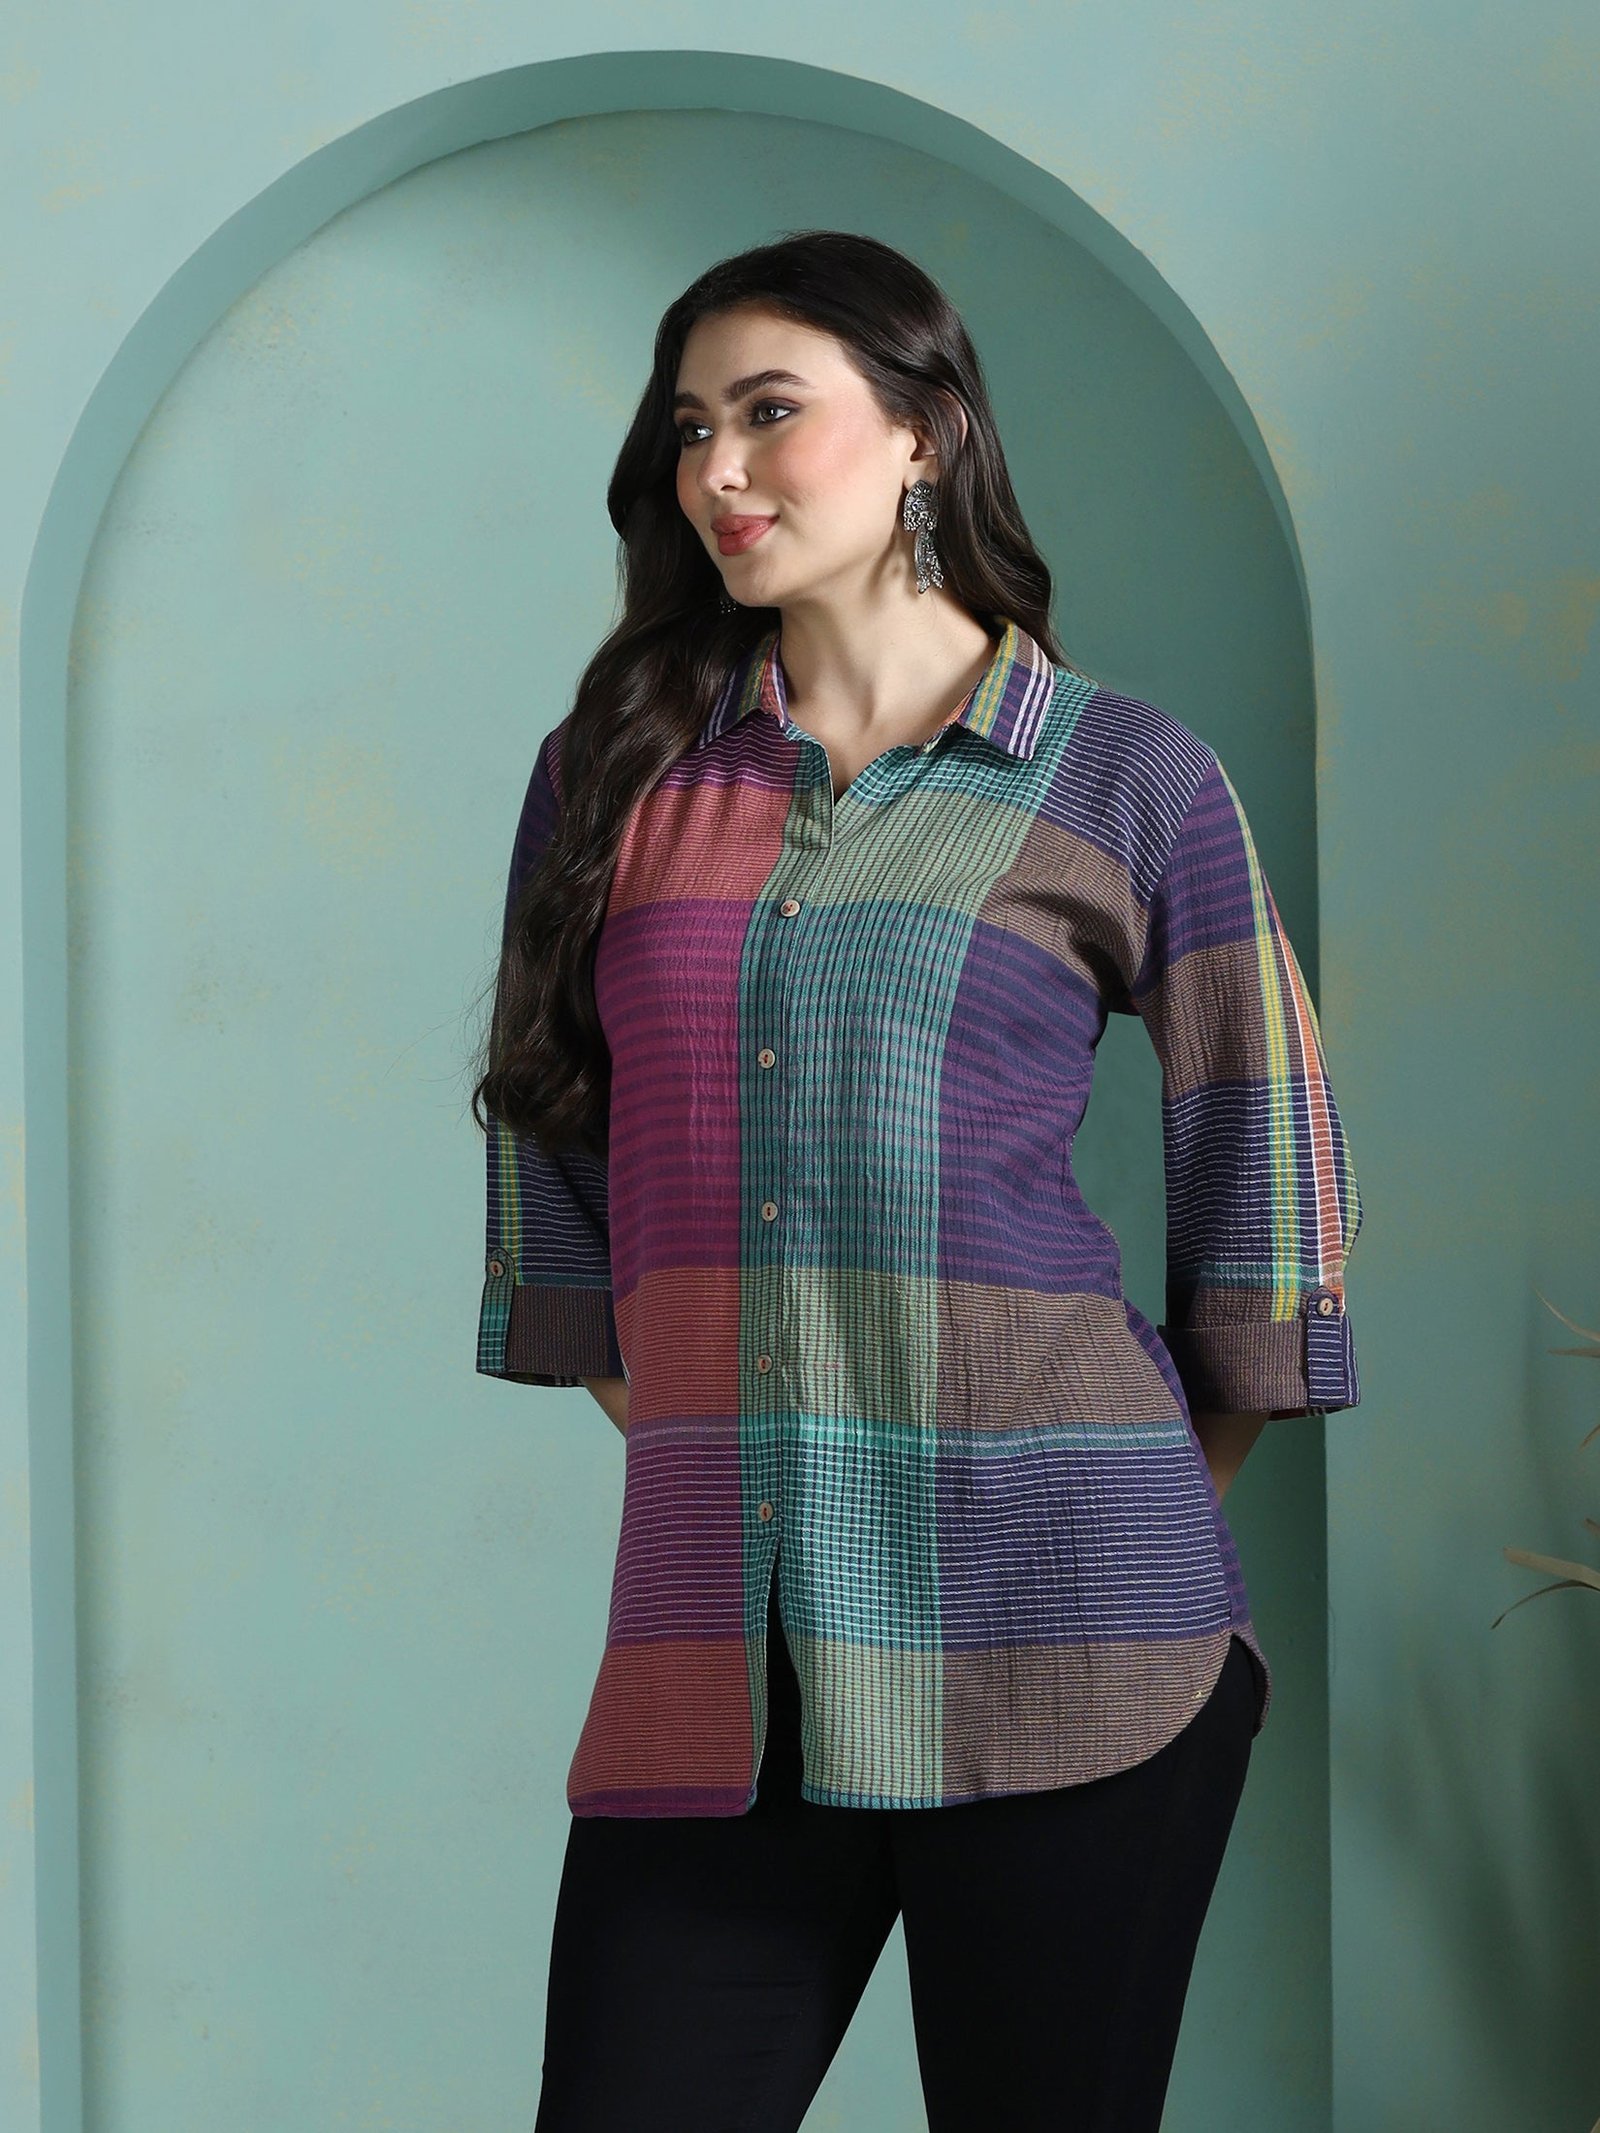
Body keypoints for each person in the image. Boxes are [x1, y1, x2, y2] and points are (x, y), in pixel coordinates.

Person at [469, 228, 1363, 2132]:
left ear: (923, 433)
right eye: (690, 428)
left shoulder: (1126, 778)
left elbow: (1265, 1144)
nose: (718, 471)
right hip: (724, 1659)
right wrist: (743, 1430)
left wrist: (1097, 1480)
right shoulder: (611, 775)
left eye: (768, 414)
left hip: (1079, 1642)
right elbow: (551, 1136)